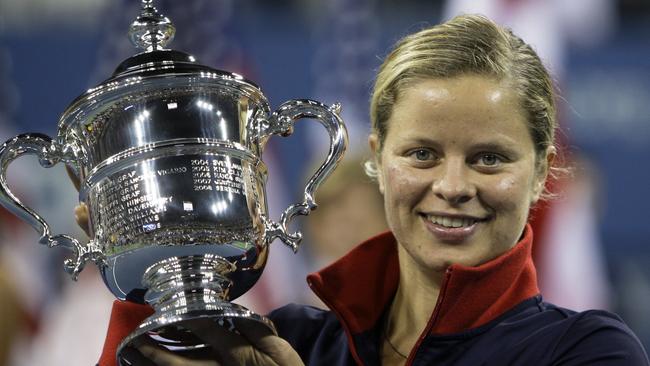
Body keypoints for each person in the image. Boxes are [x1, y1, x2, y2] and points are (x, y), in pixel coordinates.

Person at [94, 14, 649, 365]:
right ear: (379, 161)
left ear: (539, 174)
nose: (452, 186)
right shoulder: (284, 340)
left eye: (489, 159)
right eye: (422, 154)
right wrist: (142, 278)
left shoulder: (589, 352)